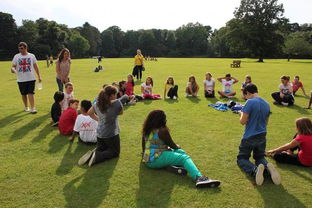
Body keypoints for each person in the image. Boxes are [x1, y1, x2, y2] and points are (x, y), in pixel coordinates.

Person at [141, 110, 221, 188]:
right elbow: (173, 146)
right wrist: (177, 146)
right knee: (184, 157)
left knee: (179, 152)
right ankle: (199, 178)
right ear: (162, 120)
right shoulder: (162, 131)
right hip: (156, 159)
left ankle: (170, 167)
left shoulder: (147, 129)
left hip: (147, 160)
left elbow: (144, 147)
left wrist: (144, 155)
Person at [237, 84, 281, 185]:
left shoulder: (250, 102)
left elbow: (243, 121)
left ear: (248, 93)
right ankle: (268, 168)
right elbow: (266, 122)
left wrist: (241, 113)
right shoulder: (266, 103)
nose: (245, 97)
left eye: (245, 95)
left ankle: (255, 170)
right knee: (260, 157)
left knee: (242, 158)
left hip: (250, 136)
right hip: (262, 134)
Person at [78, 86, 128, 167]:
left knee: (102, 148)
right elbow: (121, 112)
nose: (116, 96)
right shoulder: (117, 104)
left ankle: (94, 153)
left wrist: (99, 119)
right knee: (115, 152)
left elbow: (89, 113)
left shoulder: (97, 103)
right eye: (115, 94)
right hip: (111, 134)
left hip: (99, 134)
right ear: (111, 95)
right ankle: (97, 156)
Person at [11, 42, 42, 114]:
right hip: (21, 79)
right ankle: (26, 107)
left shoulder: (32, 56)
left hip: (31, 78)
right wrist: (13, 69)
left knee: (31, 93)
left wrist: (39, 76)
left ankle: (33, 108)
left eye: (21, 48)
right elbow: (13, 67)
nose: (20, 50)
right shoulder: (16, 56)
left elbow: (36, 66)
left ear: (25, 48)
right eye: (19, 48)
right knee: (23, 94)